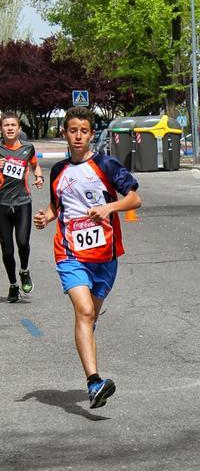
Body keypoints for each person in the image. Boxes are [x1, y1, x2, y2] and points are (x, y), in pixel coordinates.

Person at [33, 106, 141, 409]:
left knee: (89, 317)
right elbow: (58, 206)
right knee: (83, 311)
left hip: (105, 256)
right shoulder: (59, 171)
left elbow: (135, 198)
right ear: (65, 134)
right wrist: (46, 217)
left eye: (83, 130)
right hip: (70, 253)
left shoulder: (106, 165)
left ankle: (87, 351)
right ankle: (94, 382)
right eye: (72, 130)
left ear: (91, 134)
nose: (78, 136)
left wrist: (109, 208)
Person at [0, 112, 44, 302]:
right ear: (1, 129)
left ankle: (24, 271)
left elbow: (35, 165)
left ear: (19, 128)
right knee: (7, 250)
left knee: (23, 243)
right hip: (1, 205)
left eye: (13, 125)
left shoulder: (28, 148)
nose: (9, 128)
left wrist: (39, 176)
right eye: (6, 125)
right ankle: (13, 284)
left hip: (22, 202)